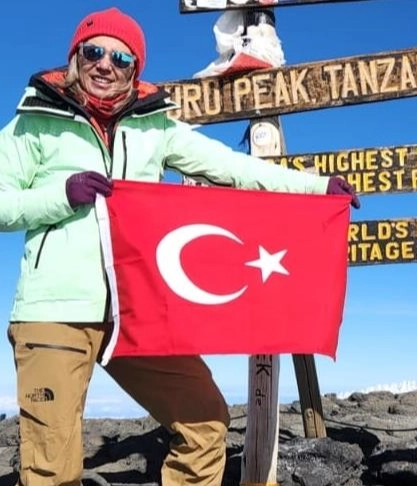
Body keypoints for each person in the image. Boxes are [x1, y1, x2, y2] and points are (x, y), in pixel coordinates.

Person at [0, 6, 359, 487]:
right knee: (51, 466)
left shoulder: (157, 127)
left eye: (122, 57)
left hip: (138, 308)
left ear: (136, 68)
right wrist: (59, 196)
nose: (106, 64)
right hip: (55, 313)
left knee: (206, 421)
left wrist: (314, 190)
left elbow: (235, 168)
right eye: (95, 51)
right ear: (75, 57)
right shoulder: (35, 123)